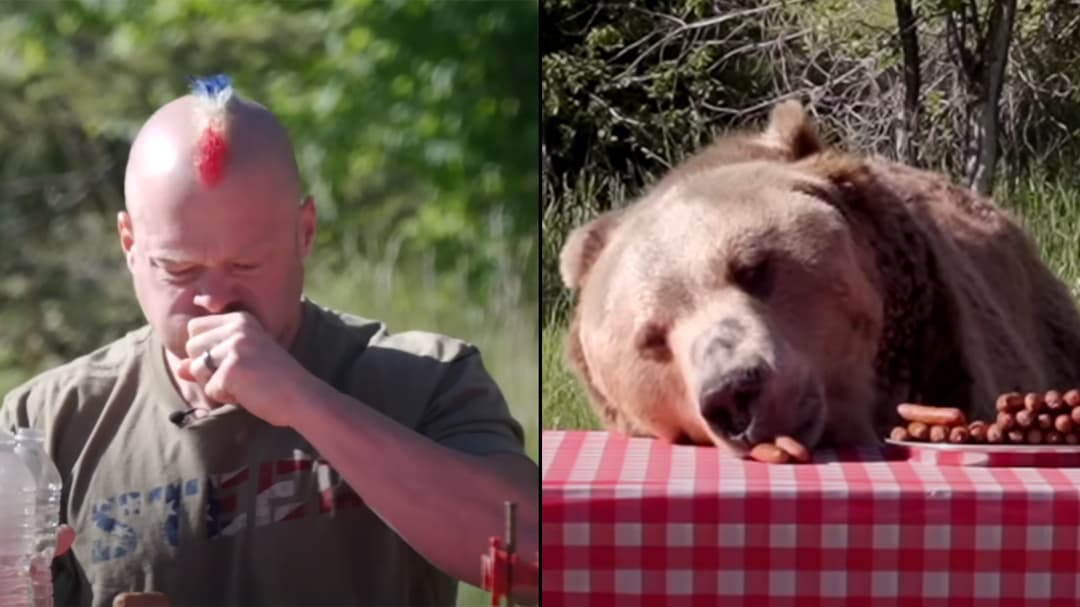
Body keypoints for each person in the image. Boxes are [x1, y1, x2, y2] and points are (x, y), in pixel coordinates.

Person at [0, 75, 539, 607]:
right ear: (130, 246)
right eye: (180, 268)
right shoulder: (47, 420)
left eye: (246, 264)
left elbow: (535, 560)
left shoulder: (423, 378)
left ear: (304, 233)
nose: (213, 299)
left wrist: (303, 401)